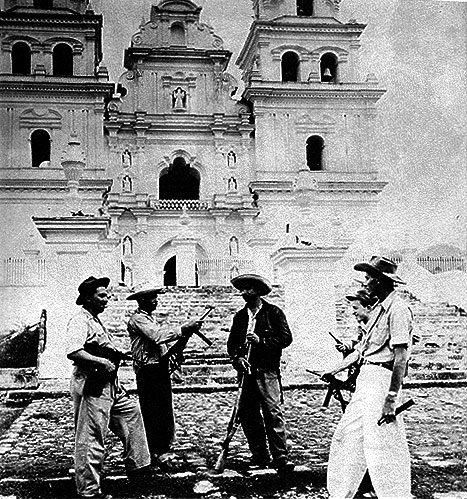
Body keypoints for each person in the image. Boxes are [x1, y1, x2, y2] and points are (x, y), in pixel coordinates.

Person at [324, 256, 413, 499]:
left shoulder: (398, 309)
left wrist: (391, 398)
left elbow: (400, 359)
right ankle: (340, 493)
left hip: (382, 382)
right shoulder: (378, 310)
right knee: (348, 436)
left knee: (383, 444)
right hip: (366, 379)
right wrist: (333, 370)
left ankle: (395, 495)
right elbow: (362, 351)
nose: (365, 283)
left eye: (368, 278)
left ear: (381, 281)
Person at [67, 276, 151, 499]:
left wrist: (115, 355)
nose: (107, 299)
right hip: (91, 383)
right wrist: (102, 361)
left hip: (110, 383)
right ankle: (90, 492)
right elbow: (74, 351)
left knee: (132, 415)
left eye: (107, 295)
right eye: (102, 295)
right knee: (91, 436)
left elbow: (99, 346)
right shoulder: (79, 320)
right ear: (87, 297)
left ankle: (138, 469)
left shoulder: (95, 320)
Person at [126, 287, 202, 470]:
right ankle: (155, 451)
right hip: (148, 371)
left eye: (156, 298)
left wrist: (179, 345)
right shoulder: (138, 319)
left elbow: (163, 345)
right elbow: (157, 337)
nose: (156, 301)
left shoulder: (149, 319)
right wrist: (183, 328)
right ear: (142, 300)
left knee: (163, 410)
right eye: (152, 298)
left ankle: (162, 448)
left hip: (158, 369)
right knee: (153, 411)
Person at [227, 273, 294, 473]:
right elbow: (232, 345)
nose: (243, 293)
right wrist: (237, 359)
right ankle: (259, 454)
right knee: (249, 414)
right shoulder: (240, 317)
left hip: (267, 372)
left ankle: (280, 457)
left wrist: (261, 342)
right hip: (246, 374)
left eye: (247, 289)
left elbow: (285, 338)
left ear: (257, 290)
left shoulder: (273, 312)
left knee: (273, 412)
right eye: (242, 289)